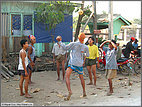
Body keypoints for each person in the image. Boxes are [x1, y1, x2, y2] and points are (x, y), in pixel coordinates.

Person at [57, 33, 89, 101]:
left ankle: (70, 91)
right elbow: (88, 55)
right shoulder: (85, 46)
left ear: (78, 37)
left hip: (73, 63)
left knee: (67, 76)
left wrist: (60, 41)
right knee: (81, 78)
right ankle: (84, 92)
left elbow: (65, 48)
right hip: (80, 64)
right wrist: (83, 60)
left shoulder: (74, 44)